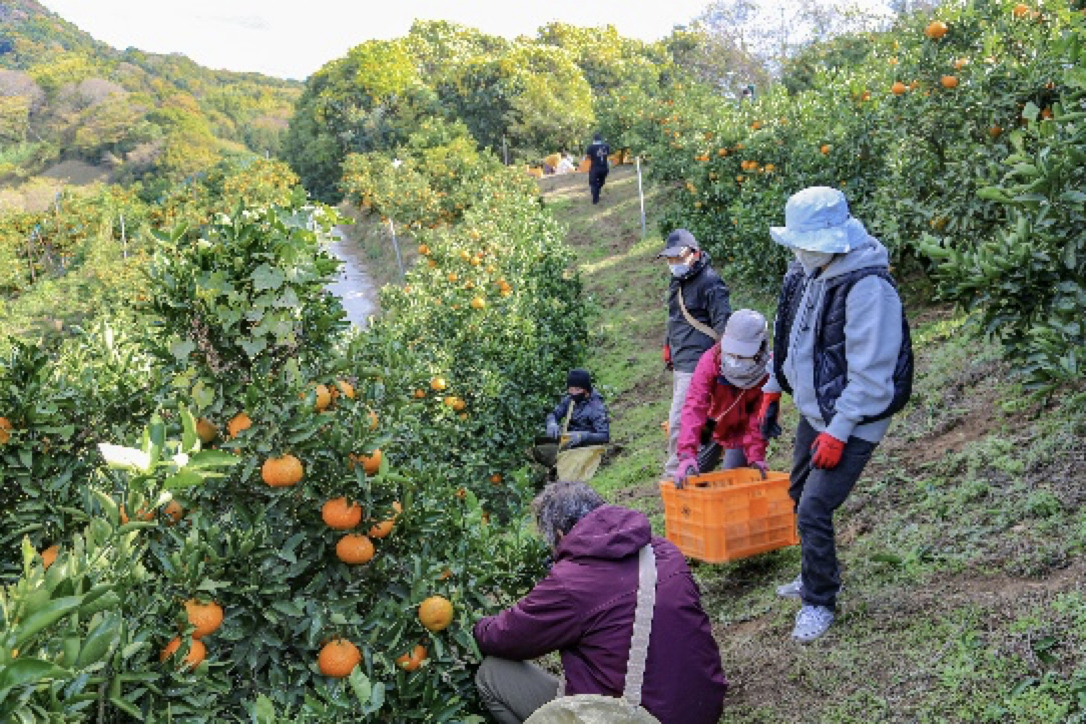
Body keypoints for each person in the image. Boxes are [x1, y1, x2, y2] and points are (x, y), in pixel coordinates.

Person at [765, 186, 913, 643]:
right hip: (817, 407)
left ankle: (820, 600)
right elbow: (790, 337)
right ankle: (813, 576)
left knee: (814, 505)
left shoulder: (868, 287)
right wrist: (774, 388)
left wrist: (840, 431)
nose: (798, 249)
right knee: (797, 490)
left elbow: (872, 375)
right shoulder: (809, 271)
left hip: (854, 415)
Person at [473, 480, 728, 724]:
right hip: (700, 712)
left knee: (492, 674)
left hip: (636, 719)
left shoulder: (571, 581)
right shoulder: (664, 551)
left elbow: (504, 636)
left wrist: (474, 626)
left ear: (561, 534)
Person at [659, 228, 732, 480]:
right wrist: (668, 345)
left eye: (678, 258)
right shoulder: (678, 281)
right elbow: (676, 318)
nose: (674, 264)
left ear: (695, 253)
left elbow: (724, 326)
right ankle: (694, 469)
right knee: (696, 420)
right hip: (682, 363)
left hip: (699, 364)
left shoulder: (711, 283)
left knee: (681, 422)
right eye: (669, 259)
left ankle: (676, 478)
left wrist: (720, 365)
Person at [673, 309, 775, 487]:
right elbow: (695, 406)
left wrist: (755, 454)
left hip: (741, 432)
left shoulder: (767, 371)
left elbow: (759, 416)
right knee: (693, 477)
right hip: (710, 423)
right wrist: (687, 455)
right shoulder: (711, 361)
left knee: (731, 484)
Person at [543, 369, 609, 450]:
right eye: (571, 389)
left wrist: (582, 437)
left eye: (577, 389)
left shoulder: (596, 406)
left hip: (586, 445)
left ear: (586, 390)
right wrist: (551, 423)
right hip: (568, 439)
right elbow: (554, 414)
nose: (573, 393)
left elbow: (604, 436)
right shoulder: (569, 400)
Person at [584, 133, 610, 204]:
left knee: (593, 183)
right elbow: (607, 155)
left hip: (595, 168)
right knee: (601, 182)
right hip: (604, 168)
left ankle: (595, 199)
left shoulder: (591, 147)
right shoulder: (606, 146)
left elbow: (587, 157)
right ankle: (597, 194)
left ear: (594, 139)